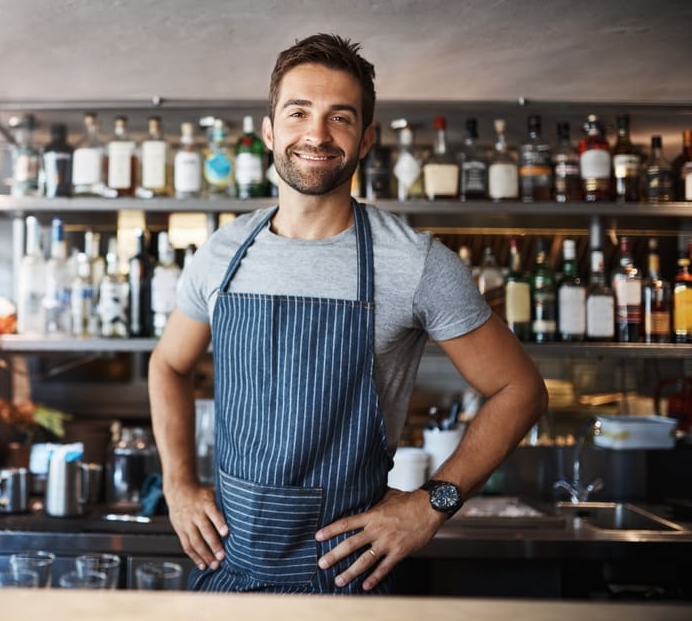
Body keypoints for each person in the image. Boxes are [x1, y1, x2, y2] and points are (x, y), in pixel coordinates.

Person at [147, 33, 548, 595]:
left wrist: (433, 504)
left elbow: (520, 389)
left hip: (346, 578)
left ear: (365, 140)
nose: (316, 134)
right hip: (227, 571)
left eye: (340, 117)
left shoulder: (416, 263)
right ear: (269, 132)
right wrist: (178, 483)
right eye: (298, 112)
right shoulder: (221, 253)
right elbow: (167, 365)